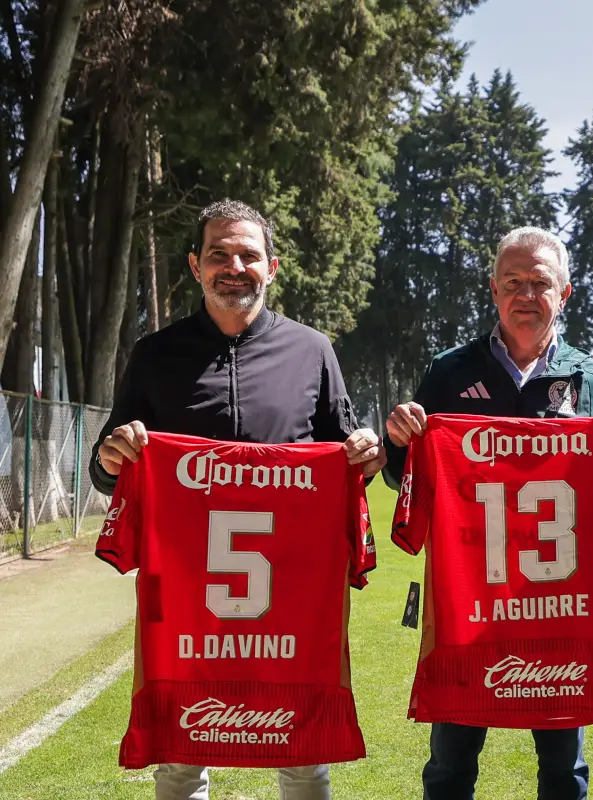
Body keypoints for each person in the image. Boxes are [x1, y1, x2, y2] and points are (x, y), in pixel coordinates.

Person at [91, 199, 386, 800]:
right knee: (181, 750)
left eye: (248, 255)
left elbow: (346, 460)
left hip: (293, 590)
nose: (234, 266)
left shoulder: (313, 351)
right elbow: (109, 470)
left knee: (302, 750)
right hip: (185, 591)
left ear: (271, 267)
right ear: (195, 265)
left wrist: (366, 454)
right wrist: (109, 456)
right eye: (219, 254)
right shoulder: (155, 354)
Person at [381, 226, 593, 800]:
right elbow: (404, 478)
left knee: (563, 767)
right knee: (451, 762)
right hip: (469, 602)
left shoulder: (589, 378)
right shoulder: (450, 371)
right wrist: (402, 440)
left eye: (540, 282)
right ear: (494, 290)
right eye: (513, 282)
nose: (526, 294)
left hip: (559, 605)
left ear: (565, 293)